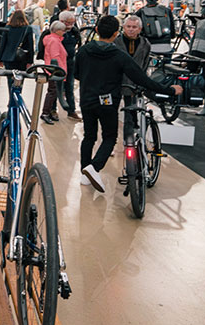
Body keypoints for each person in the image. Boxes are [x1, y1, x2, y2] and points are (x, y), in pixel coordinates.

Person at [74, 15, 181, 193]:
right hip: (108, 101)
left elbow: (76, 74)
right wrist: (170, 90)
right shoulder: (119, 55)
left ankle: (85, 174)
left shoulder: (84, 51)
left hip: (86, 99)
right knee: (109, 137)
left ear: (98, 30)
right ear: (117, 32)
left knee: (89, 136)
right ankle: (94, 167)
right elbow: (142, 79)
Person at [115, 15, 151, 136]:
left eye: (134, 27)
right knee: (111, 113)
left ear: (139, 29)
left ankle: (128, 139)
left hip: (134, 84)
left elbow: (145, 64)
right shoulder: (116, 42)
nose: (131, 29)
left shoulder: (145, 44)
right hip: (116, 82)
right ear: (123, 27)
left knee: (130, 113)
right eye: (128, 26)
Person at [40, 21, 68, 124]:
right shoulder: (54, 41)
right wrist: (61, 71)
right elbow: (55, 56)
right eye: (63, 30)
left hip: (53, 70)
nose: (64, 32)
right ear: (57, 31)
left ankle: (48, 112)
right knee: (52, 92)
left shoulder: (53, 39)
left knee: (53, 92)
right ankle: (45, 113)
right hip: (54, 71)